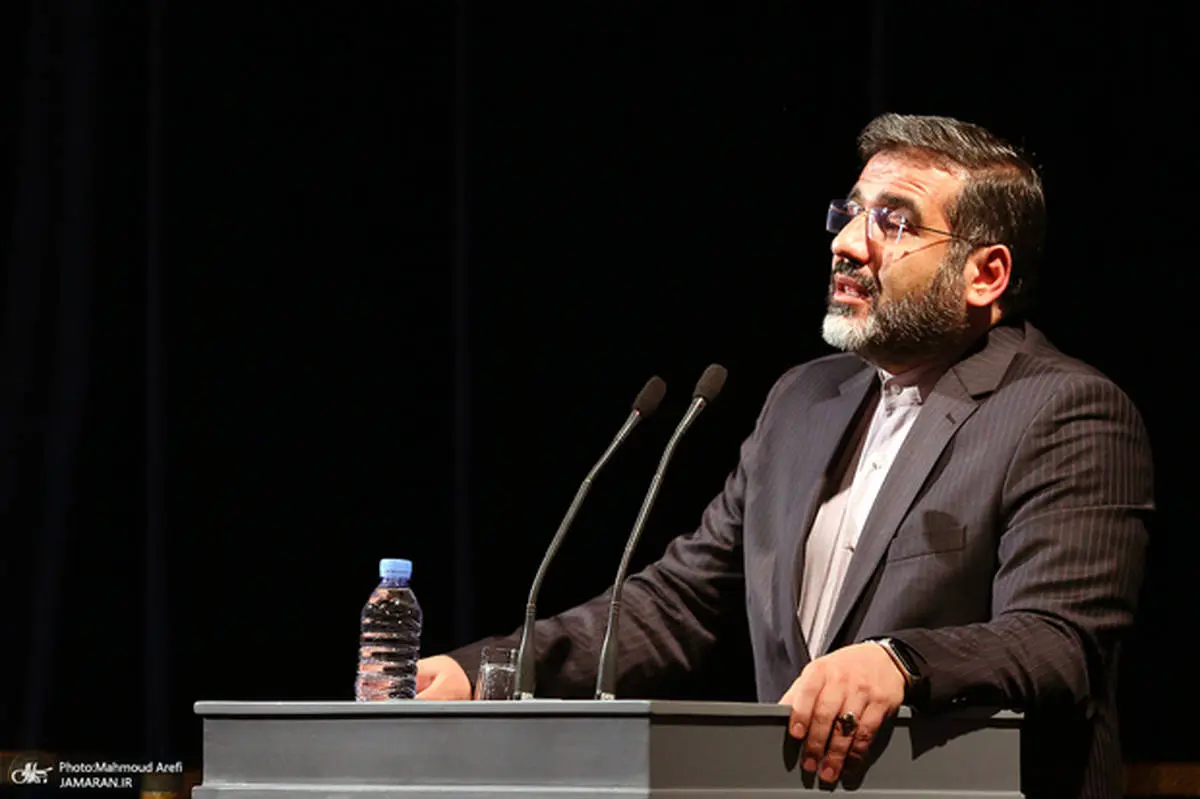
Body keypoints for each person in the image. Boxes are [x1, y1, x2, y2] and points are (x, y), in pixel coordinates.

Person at [416, 113, 1152, 799]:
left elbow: (1060, 642)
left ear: (984, 274)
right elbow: (679, 604)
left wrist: (900, 661)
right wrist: (481, 672)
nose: (847, 243)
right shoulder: (803, 400)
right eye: (850, 212)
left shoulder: (1063, 410)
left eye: (894, 221)